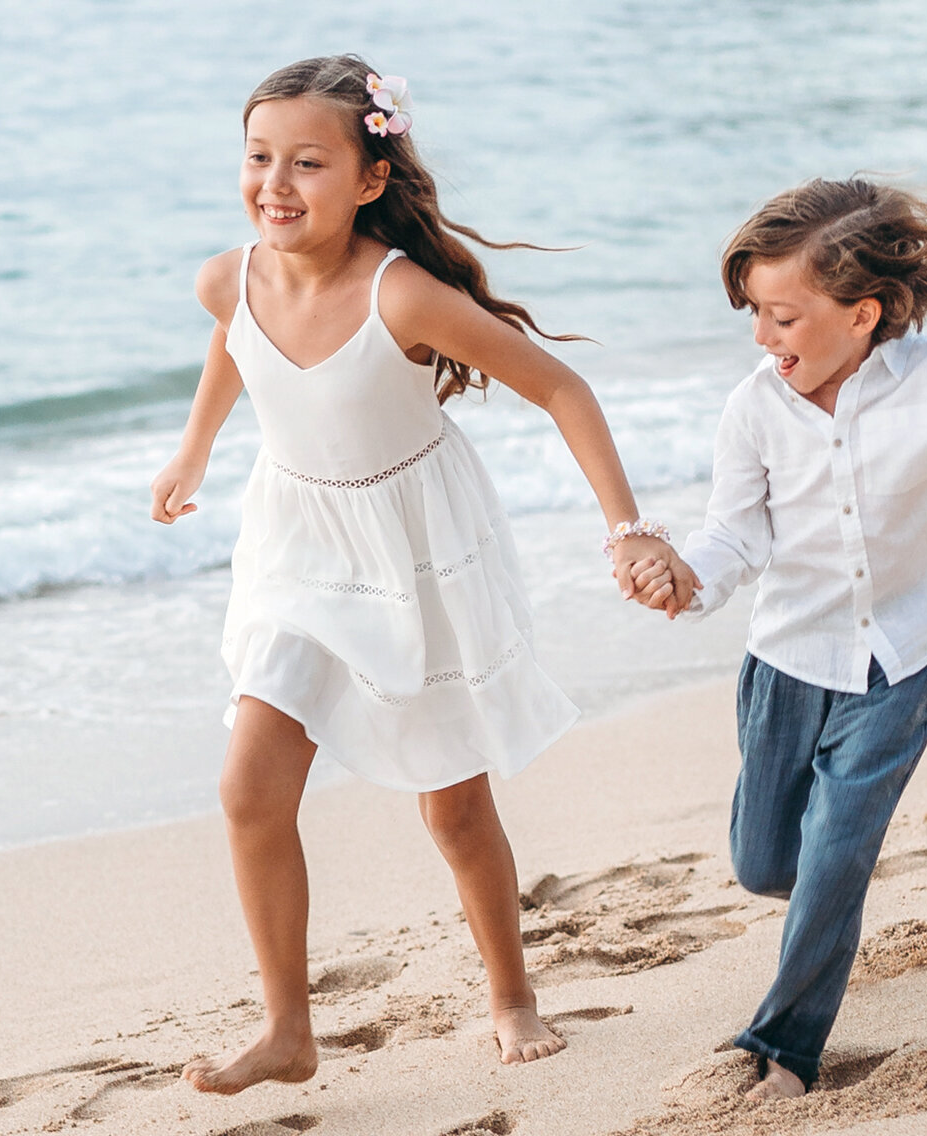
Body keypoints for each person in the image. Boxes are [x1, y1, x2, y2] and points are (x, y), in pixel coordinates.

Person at [149, 54, 697, 1095]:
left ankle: (510, 993)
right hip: (296, 544)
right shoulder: (229, 274)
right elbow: (236, 342)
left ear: (368, 179)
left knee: (451, 808)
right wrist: (195, 450)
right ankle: (287, 1028)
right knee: (248, 787)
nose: (275, 182)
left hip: (413, 549)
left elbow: (561, 386)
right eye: (259, 156)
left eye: (307, 162)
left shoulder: (402, 295)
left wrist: (626, 525)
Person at [627, 178, 927, 1099]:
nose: (763, 339)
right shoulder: (755, 406)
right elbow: (734, 534)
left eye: (783, 317)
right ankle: (826, 901)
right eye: (755, 316)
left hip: (902, 660)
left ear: (864, 313)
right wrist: (687, 580)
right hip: (787, 662)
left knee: (838, 854)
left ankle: (784, 1048)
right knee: (767, 864)